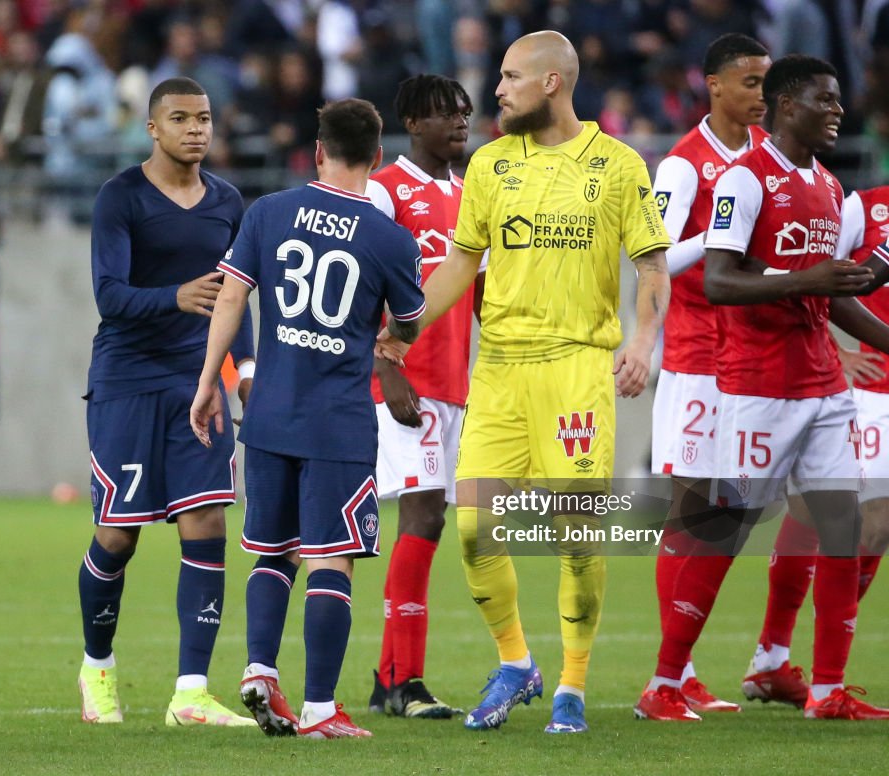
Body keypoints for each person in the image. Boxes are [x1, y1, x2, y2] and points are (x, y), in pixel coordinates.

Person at [376, 31, 671, 734]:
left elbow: (652, 267)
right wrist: (406, 327)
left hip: (575, 372)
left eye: (509, 78)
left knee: (575, 536)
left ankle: (571, 683)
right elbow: (460, 266)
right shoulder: (490, 166)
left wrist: (642, 340)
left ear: (550, 84)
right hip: (500, 373)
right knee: (475, 533)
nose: (497, 91)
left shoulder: (619, 165)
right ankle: (517, 662)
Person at [635, 54, 889, 722]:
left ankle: (830, 691)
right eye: (824, 100)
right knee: (721, 531)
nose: (838, 111)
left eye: (839, 101)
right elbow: (720, 281)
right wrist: (806, 280)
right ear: (785, 105)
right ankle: (665, 682)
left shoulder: (832, 189)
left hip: (823, 385)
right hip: (758, 388)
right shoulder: (744, 182)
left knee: (841, 531)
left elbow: (835, 299)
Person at [190, 97, 426, 739]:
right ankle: (321, 708)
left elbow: (233, 295)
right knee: (332, 558)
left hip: (267, 415)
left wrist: (210, 382)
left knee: (272, 551)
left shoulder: (268, 212)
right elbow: (410, 319)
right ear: (378, 159)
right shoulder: (390, 239)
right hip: (338, 421)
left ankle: (260, 670)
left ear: (317, 151)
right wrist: (390, 339)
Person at [76, 77, 256, 727]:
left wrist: (247, 370)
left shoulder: (230, 202)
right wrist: (174, 297)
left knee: (206, 523)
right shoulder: (120, 197)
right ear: (152, 128)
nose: (195, 129)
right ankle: (97, 668)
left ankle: (191, 693)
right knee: (118, 535)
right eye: (180, 118)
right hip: (126, 380)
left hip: (196, 381)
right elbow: (110, 297)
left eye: (204, 118)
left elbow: (238, 296)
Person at [648, 33, 771, 714]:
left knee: (729, 515)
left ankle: (679, 670)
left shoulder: (762, 162)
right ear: (715, 85)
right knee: (693, 512)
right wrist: (721, 238)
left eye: (766, 83)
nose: (761, 96)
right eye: (750, 83)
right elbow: (656, 255)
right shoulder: (684, 166)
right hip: (696, 357)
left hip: (750, 359)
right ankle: (672, 676)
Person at [742, 184, 889, 706]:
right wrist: (836, 353)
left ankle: (792, 663)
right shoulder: (863, 205)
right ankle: (777, 656)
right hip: (875, 392)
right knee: (860, 523)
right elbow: (822, 283)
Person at [364, 74, 483, 720]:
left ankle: (389, 678)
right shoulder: (386, 193)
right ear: (413, 124)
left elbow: (483, 299)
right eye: (445, 114)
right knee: (423, 517)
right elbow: (363, 295)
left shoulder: (471, 196)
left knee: (433, 521)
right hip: (405, 382)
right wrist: (387, 369)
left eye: (465, 112)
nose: (461, 122)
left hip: (457, 385)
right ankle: (404, 681)